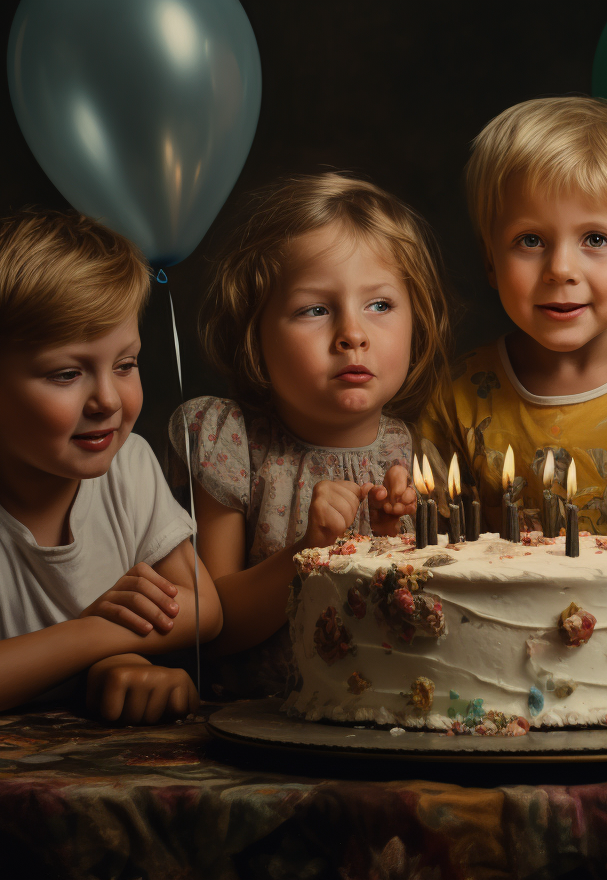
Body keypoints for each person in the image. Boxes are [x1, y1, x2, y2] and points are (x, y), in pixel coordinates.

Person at [0, 210, 222, 731]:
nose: (108, 400)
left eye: (125, 365)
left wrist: (114, 663)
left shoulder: (131, 468)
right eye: (66, 374)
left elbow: (205, 612)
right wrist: (94, 637)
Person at [171, 173, 447, 697]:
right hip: (256, 724)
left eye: (380, 305)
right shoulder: (231, 444)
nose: (353, 333)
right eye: (315, 310)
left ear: (418, 320)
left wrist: (389, 546)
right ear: (256, 336)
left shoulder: (413, 457)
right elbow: (213, 629)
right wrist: (309, 548)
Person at [419, 96, 607, 534]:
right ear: (491, 262)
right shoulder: (456, 397)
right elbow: (431, 542)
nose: (561, 270)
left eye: (595, 238)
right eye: (530, 241)